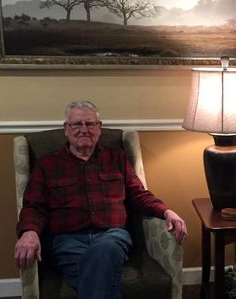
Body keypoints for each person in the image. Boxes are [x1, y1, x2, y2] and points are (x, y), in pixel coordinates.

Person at [14, 100, 187, 299]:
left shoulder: (117, 158)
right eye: (77, 124)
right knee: (99, 272)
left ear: (99, 127)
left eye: (90, 124)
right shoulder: (48, 164)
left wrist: (166, 211)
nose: (84, 129)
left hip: (112, 236)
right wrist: (29, 232)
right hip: (67, 241)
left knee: (105, 251)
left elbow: (139, 195)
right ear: (66, 129)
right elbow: (34, 206)